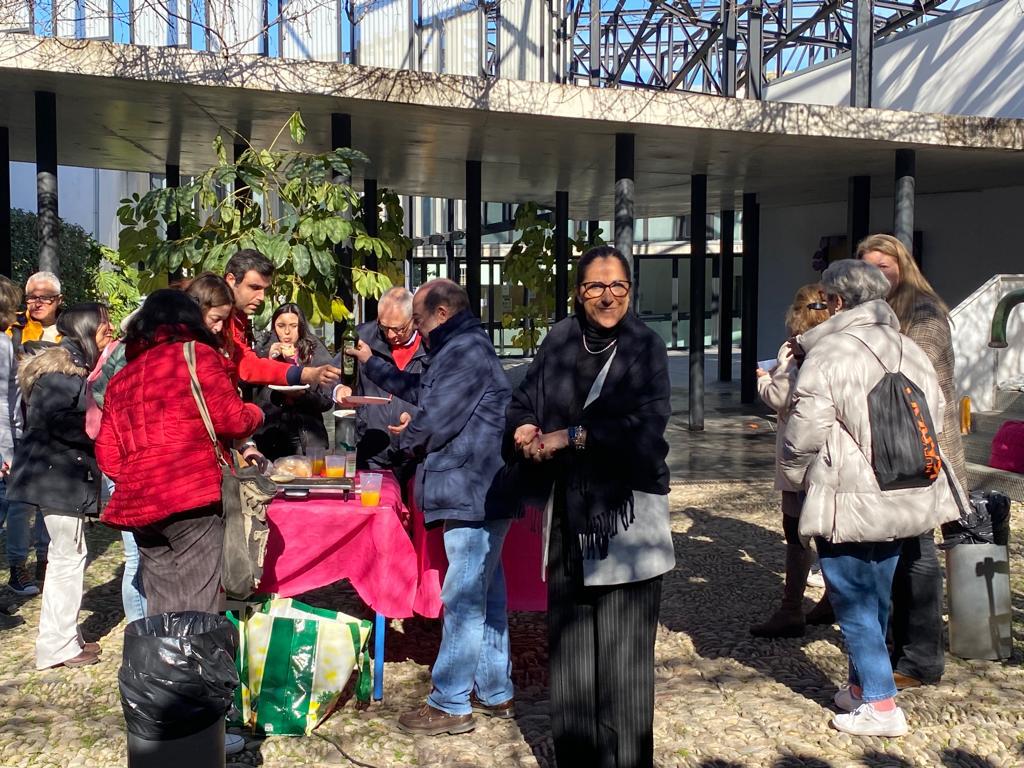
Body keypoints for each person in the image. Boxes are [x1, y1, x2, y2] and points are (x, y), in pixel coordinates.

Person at [505, 245, 674, 768]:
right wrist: (525, 428)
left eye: (618, 286)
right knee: (572, 655)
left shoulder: (646, 348)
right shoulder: (559, 338)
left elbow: (643, 431)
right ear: (580, 292)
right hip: (567, 517)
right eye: (596, 286)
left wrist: (569, 437)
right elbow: (523, 398)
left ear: (630, 290)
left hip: (624, 521)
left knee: (623, 665)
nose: (608, 296)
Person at [781, 259, 962, 737]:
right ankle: (862, 688)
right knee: (874, 595)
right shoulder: (906, 346)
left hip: (850, 496)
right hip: (906, 492)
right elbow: (937, 410)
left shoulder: (831, 352)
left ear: (837, 302)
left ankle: (882, 706)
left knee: (851, 598)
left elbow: (803, 432)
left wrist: (800, 477)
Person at [347, 279, 514, 737]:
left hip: (471, 487)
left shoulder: (463, 351)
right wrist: (375, 368)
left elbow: (433, 419)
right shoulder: (463, 345)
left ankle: (451, 701)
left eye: (418, 320)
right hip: (479, 487)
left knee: (462, 599)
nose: (415, 329)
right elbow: (422, 390)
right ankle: (496, 690)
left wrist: (409, 436)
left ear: (442, 313)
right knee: (486, 594)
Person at [95, 290, 264, 616]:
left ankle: (165, 664)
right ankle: (191, 666)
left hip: (142, 506)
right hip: (192, 499)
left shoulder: (121, 379)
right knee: (198, 605)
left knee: (161, 605)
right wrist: (257, 413)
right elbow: (235, 420)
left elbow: (108, 458)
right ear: (190, 321)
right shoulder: (197, 355)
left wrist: (144, 473)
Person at [858, 233, 967, 690]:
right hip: (892, 448)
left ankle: (921, 658)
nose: (876, 274)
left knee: (918, 555)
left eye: (884, 266)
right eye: (868, 267)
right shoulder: (874, 313)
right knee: (896, 551)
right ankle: (895, 646)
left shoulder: (923, 313)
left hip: (923, 449)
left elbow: (910, 372)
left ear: (903, 267)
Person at [6, 303, 112, 669]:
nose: (108, 332)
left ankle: (64, 637)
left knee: (68, 559)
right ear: (85, 330)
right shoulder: (57, 374)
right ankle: (58, 645)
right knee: (67, 560)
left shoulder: (68, 370)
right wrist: (101, 423)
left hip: (62, 476)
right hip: (58, 478)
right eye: (103, 326)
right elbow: (58, 425)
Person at [749, 283, 829, 639]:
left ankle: (791, 607)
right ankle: (831, 598)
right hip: (833, 456)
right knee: (830, 530)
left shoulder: (794, 349)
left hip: (799, 453)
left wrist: (765, 380)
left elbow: (781, 397)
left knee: (796, 532)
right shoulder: (839, 346)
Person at [339, 287, 426, 477]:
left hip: (416, 454)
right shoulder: (362, 337)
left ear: (414, 320)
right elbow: (333, 372)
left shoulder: (430, 344)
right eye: (384, 327)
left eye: (398, 329)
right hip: (371, 448)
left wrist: (420, 419)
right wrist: (339, 388)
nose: (391, 335)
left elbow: (439, 394)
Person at [222, 251, 340, 390]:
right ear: (231, 280)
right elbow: (246, 365)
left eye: (264, 290)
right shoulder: (210, 315)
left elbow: (244, 362)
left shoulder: (238, 316)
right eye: (254, 287)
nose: (261, 297)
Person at [253, 303, 335, 459]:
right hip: (270, 435)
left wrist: (303, 395)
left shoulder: (314, 350)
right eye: (281, 325)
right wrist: (268, 359)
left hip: (308, 436)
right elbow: (247, 387)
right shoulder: (263, 349)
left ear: (301, 326)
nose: (287, 332)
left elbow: (328, 399)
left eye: (293, 326)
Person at [7, 271, 63, 354]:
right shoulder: (11, 323)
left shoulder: (74, 328)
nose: (37, 304)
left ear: (59, 300)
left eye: (45, 298)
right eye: (32, 298)